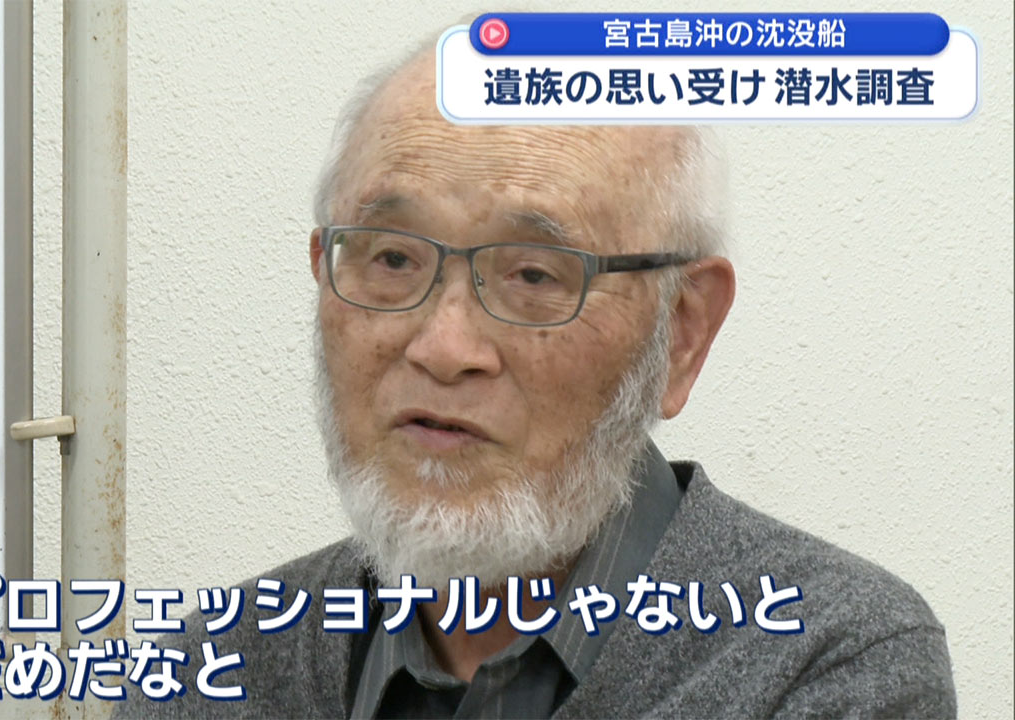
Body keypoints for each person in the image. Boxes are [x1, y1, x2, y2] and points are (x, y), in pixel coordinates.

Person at [117, 47, 956, 719]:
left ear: (682, 330)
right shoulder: (213, 665)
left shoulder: (825, 655)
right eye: (394, 258)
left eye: (533, 275)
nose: (444, 350)